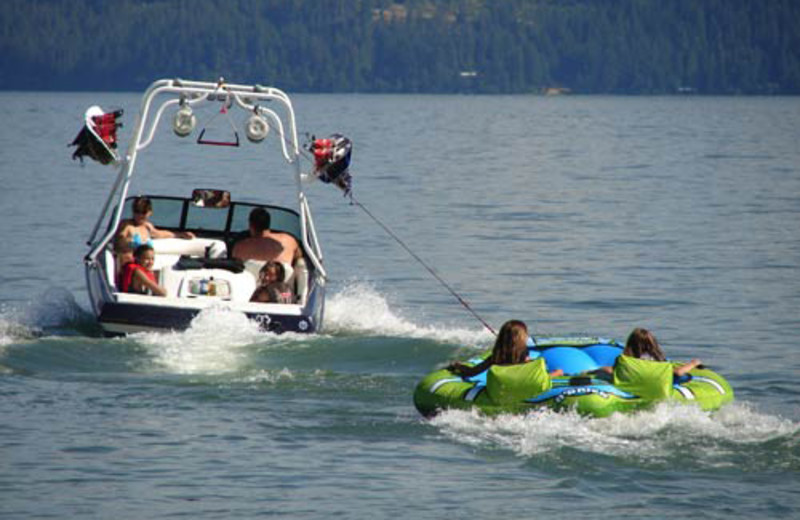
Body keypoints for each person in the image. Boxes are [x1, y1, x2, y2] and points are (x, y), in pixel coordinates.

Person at [448, 320, 564, 378]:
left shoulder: (496, 357)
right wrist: (556, 373)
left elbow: (472, 372)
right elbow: (538, 379)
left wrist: (458, 366)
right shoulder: (524, 358)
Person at [597, 327, 702, 377]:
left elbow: (612, 371)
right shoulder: (658, 362)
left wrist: (593, 372)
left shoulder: (625, 362)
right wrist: (693, 363)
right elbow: (678, 372)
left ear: (629, 345)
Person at [232, 208, 299, 281]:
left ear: (251, 226)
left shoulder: (240, 247)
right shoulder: (289, 240)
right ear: (268, 223)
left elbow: (234, 267)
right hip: (284, 288)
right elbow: (299, 256)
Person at [116, 196, 195, 251]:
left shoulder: (147, 227)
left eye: (143, 212)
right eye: (137, 212)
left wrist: (180, 234)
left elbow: (160, 234)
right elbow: (120, 238)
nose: (139, 215)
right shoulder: (126, 225)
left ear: (150, 213)